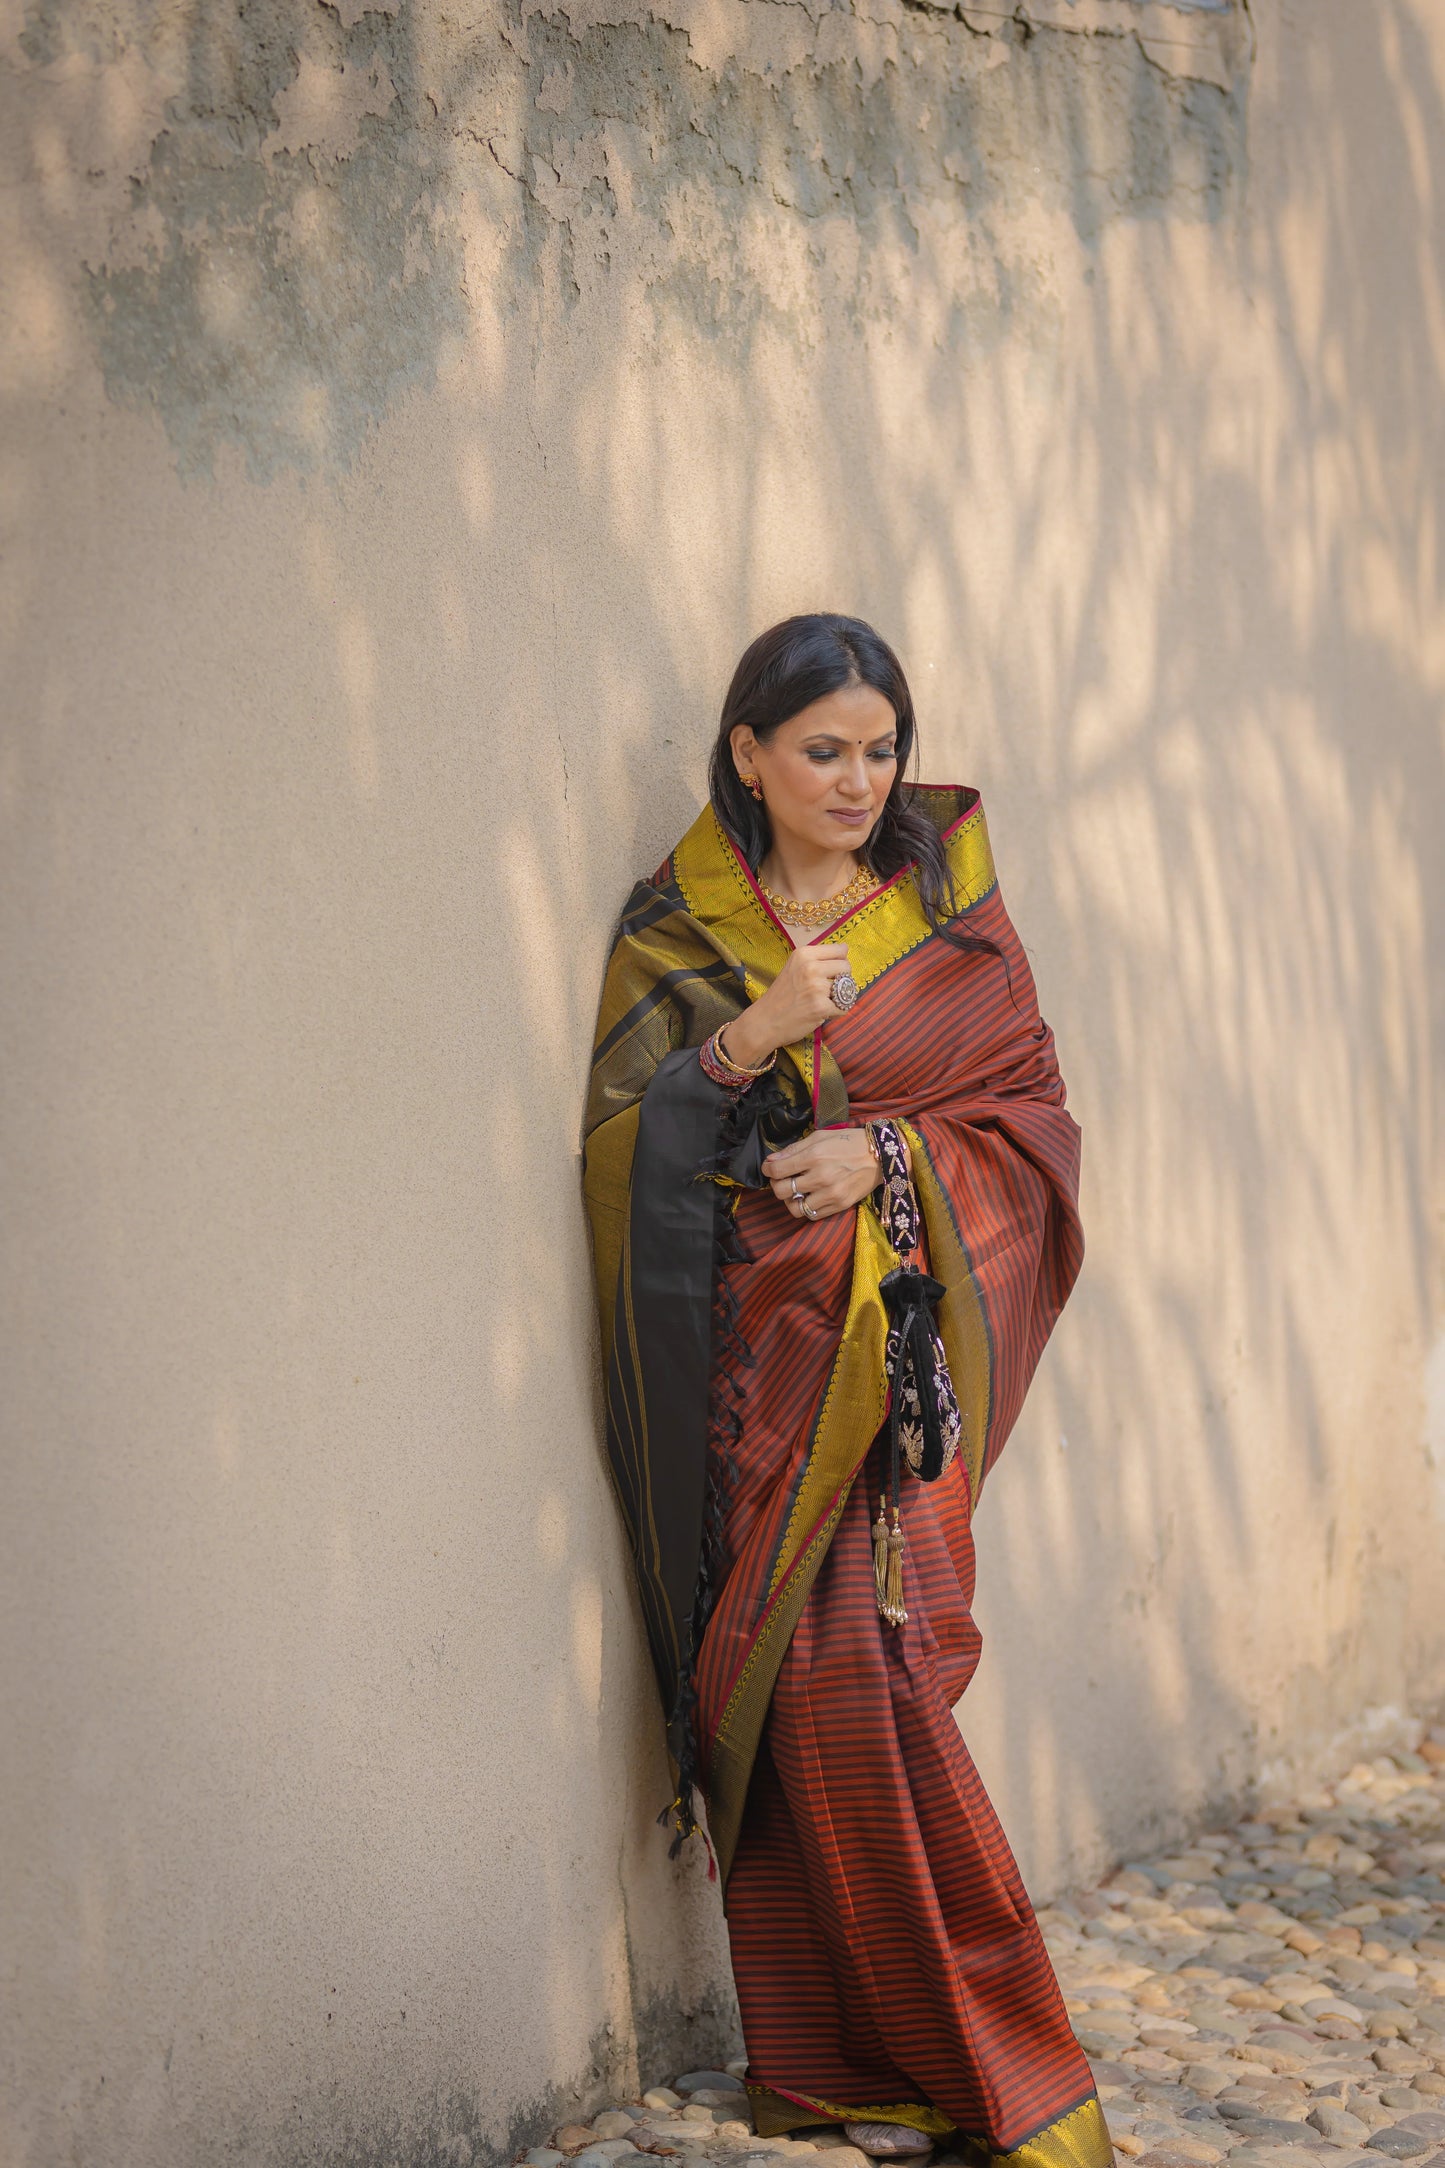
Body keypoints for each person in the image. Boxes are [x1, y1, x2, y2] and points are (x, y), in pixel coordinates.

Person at [583, 615, 1108, 2168]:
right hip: (768, 1380)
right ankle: (845, 2067)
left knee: (891, 1673)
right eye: (823, 751)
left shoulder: (947, 907)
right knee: (806, 1695)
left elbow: (1030, 1126)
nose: (860, 780)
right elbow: (627, 1159)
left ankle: (992, 2066)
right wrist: (756, 1032)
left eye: (880, 750)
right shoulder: (678, 928)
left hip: (905, 1383)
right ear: (746, 752)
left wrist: (880, 1154)